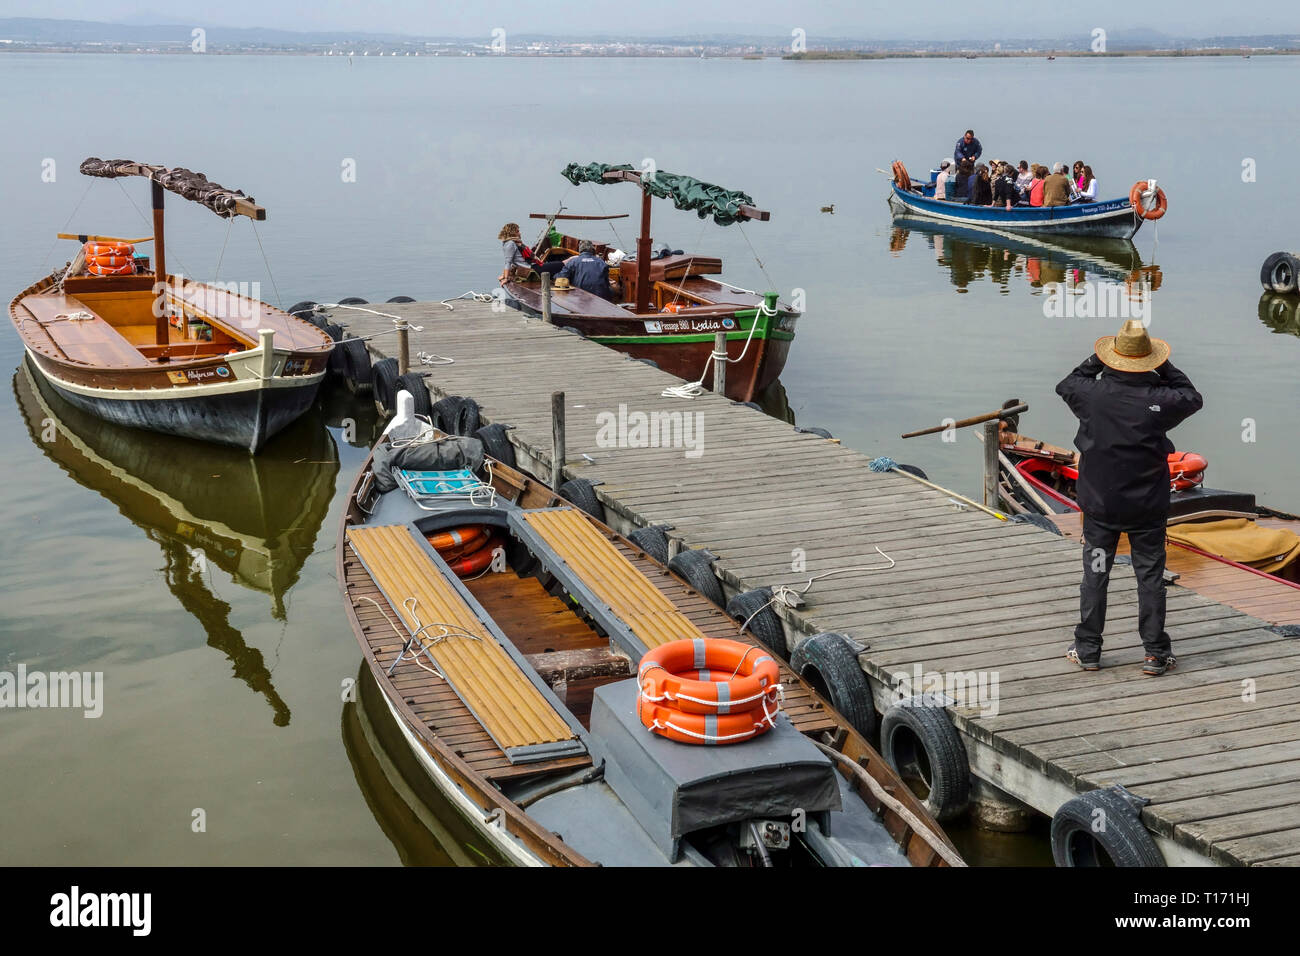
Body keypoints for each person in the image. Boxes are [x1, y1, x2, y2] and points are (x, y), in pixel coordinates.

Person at [1056, 321, 1203, 675]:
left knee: (1095, 573)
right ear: (1146, 360)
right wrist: (1162, 366)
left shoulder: (1091, 395)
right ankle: (1154, 653)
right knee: (1149, 576)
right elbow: (1192, 396)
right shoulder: (1160, 399)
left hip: (1100, 505)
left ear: (1112, 357)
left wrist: (1096, 360)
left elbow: (1066, 384)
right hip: (1146, 506)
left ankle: (1088, 649)